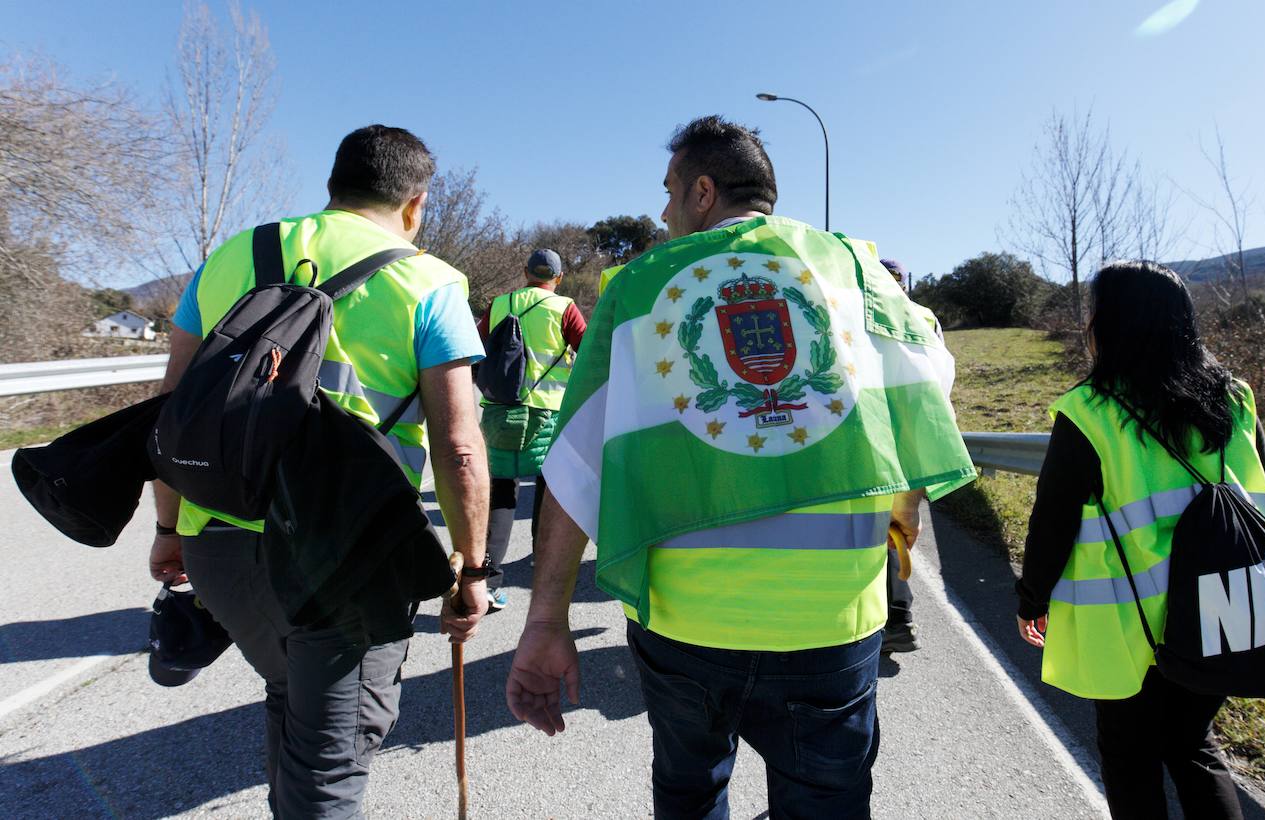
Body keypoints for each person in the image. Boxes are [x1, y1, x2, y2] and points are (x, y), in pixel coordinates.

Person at [505, 115, 974, 819]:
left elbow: (575, 468)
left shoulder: (639, 289)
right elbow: (933, 380)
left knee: (691, 797)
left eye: (668, 192)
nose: (662, 213)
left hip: (687, 625)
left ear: (702, 191)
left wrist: (546, 621)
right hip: (832, 621)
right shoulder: (854, 267)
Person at [148, 124, 492, 818]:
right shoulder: (428, 281)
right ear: (415, 203)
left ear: (333, 185)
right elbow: (458, 446)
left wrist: (167, 528)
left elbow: (170, 409)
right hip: (347, 560)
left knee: (289, 702)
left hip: (220, 543)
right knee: (329, 773)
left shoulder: (230, 258)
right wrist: (472, 570)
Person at [1015, 261, 1265, 819]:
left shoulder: (1089, 410)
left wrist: (1033, 598)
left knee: (1130, 755)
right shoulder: (1236, 398)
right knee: (1193, 744)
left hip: (1130, 625)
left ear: (1110, 323)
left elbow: (1052, 520)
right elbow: (1259, 498)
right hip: (1222, 610)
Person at [477, 249, 586, 610]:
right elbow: (587, 352)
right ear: (558, 277)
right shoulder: (564, 307)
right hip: (548, 414)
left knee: (501, 494)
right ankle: (545, 567)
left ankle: (488, 582)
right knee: (550, 490)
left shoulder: (499, 303)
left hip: (500, 412)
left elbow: (475, 349)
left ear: (525, 272)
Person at [877, 257, 919, 654]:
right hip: (913, 439)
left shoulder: (870, 314)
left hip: (881, 438)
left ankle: (893, 619)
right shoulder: (923, 318)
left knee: (885, 533)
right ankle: (899, 618)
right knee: (897, 533)